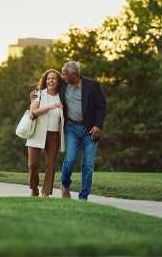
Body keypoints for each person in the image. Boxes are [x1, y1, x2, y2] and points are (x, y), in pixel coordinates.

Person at [33, 61, 107, 200]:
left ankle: (83, 197)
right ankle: (65, 185)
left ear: (74, 74)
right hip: (71, 128)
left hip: (90, 130)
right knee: (70, 160)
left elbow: (101, 106)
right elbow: (47, 89)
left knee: (88, 164)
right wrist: (34, 95)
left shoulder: (93, 86)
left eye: (65, 73)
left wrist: (98, 125)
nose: (62, 76)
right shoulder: (63, 86)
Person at [26, 69, 66, 197]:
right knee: (33, 164)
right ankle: (34, 188)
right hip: (37, 132)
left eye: (54, 78)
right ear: (45, 80)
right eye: (48, 78)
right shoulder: (38, 94)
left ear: (58, 82)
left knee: (50, 165)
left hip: (53, 134)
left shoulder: (62, 97)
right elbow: (34, 112)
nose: (51, 81)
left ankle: (46, 192)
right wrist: (51, 107)